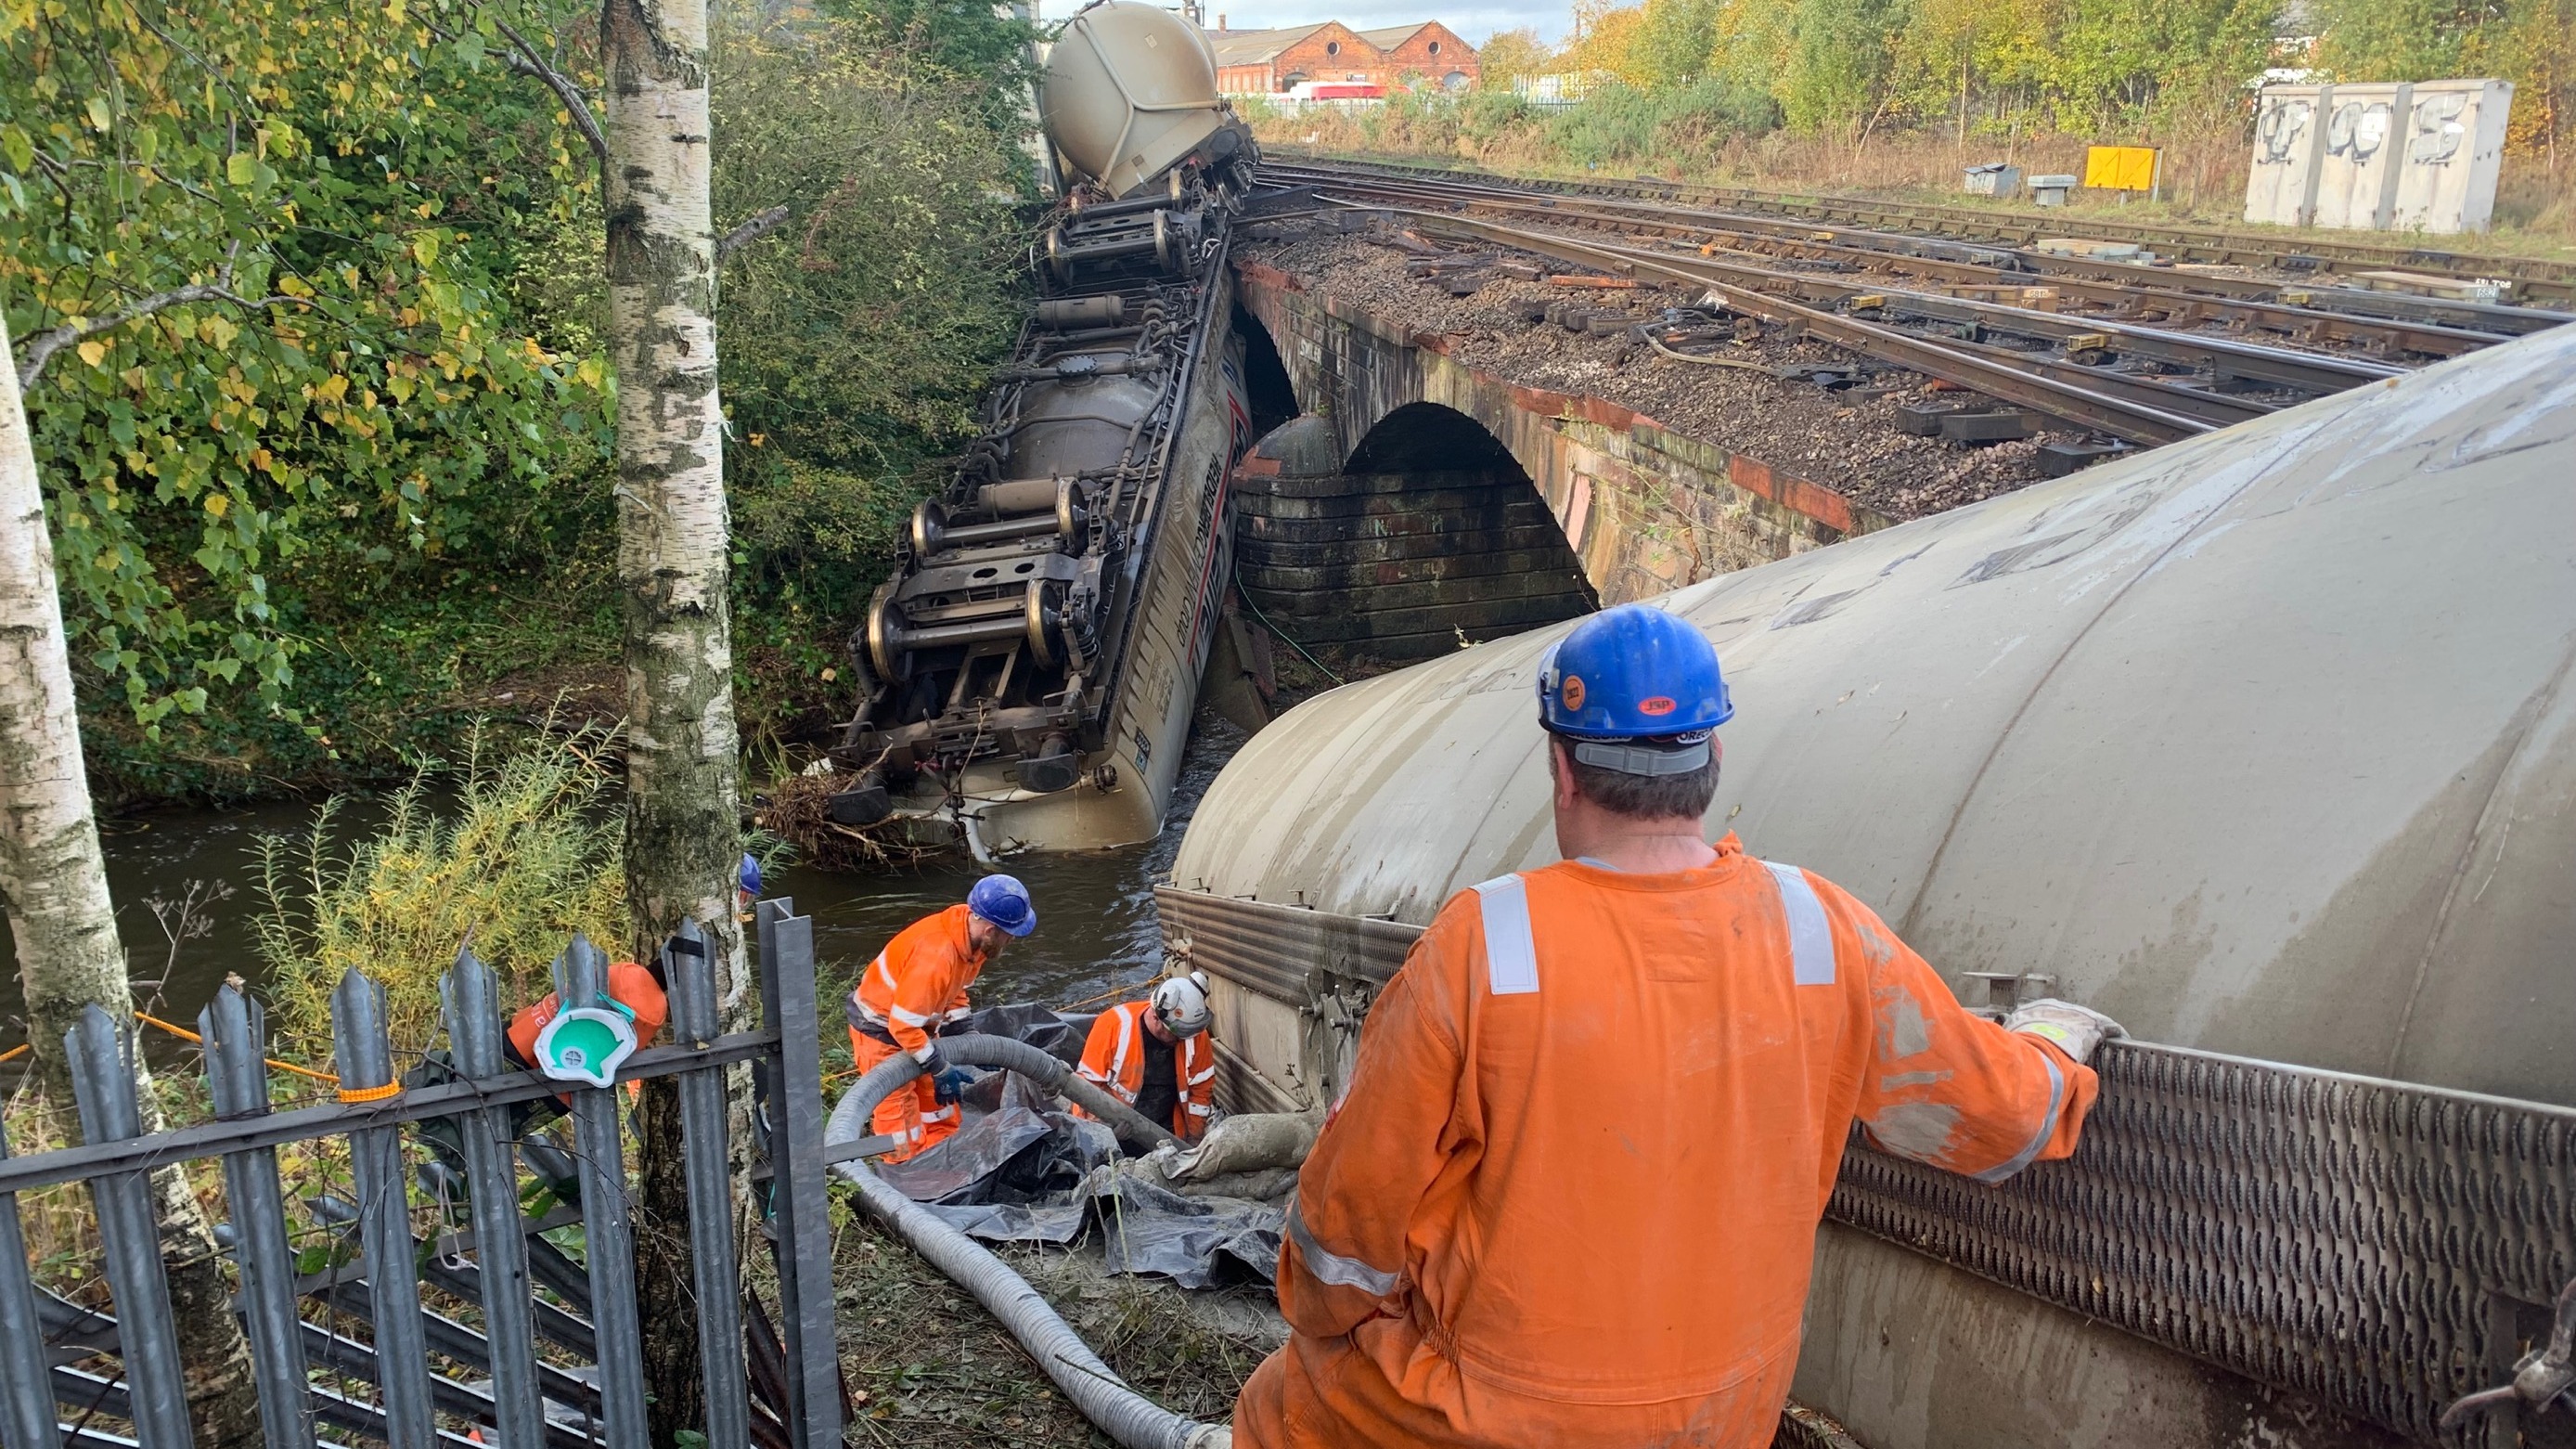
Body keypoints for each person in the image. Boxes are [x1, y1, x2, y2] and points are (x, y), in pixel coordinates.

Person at [1230, 602, 2122, 1449]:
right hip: (1725, 1409)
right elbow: (2003, 1116)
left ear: (1565, 770)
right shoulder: (1819, 927)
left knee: (1280, 1406)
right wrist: (2052, 1042)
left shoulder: (1486, 944)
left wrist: (1323, 1320)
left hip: (1505, 1417)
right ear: (1714, 758)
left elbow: (1348, 1227)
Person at [845, 874, 1037, 1161]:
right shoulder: (936, 955)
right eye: (1010, 933)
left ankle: (944, 1167)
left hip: (918, 1030)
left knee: (940, 1108)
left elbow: (954, 991)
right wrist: (939, 1066)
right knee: (900, 1124)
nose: (1012, 940)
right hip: (883, 1034)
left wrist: (966, 1034)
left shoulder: (971, 941)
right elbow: (903, 1024)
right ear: (989, 929)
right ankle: (903, 1183)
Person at [1075, 971, 1218, 1144]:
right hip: (1119, 1130)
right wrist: (1102, 1134)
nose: (1183, 1039)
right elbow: (1084, 1090)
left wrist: (1194, 1137)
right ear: (1157, 1017)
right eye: (1177, 1033)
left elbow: (1201, 1090)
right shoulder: (1113, 1026)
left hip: (1168, 1132)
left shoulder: (1194, 1034)